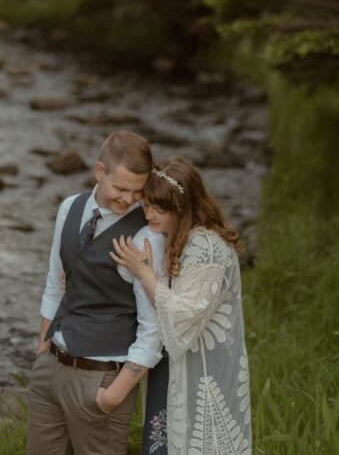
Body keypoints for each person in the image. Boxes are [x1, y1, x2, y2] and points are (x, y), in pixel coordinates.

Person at [27, 130, 166, 455]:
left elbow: (154, 327)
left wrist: (114, 395)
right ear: (99, 171)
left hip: (101, 379)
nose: (129, 199)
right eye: (120, 188)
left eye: (138, 191)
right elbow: (54, 285)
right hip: (52, 367)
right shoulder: (69, 208)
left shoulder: (146, 237)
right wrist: (42, 349)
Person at [110, 157, 252, 455]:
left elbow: (183, 316)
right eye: (147, 205)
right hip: (171, 364)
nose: (150, 214)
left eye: (160, 208)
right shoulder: (177, 238)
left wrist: (144, 271)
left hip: (197, 372)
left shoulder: (206, 246)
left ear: (184, 207)